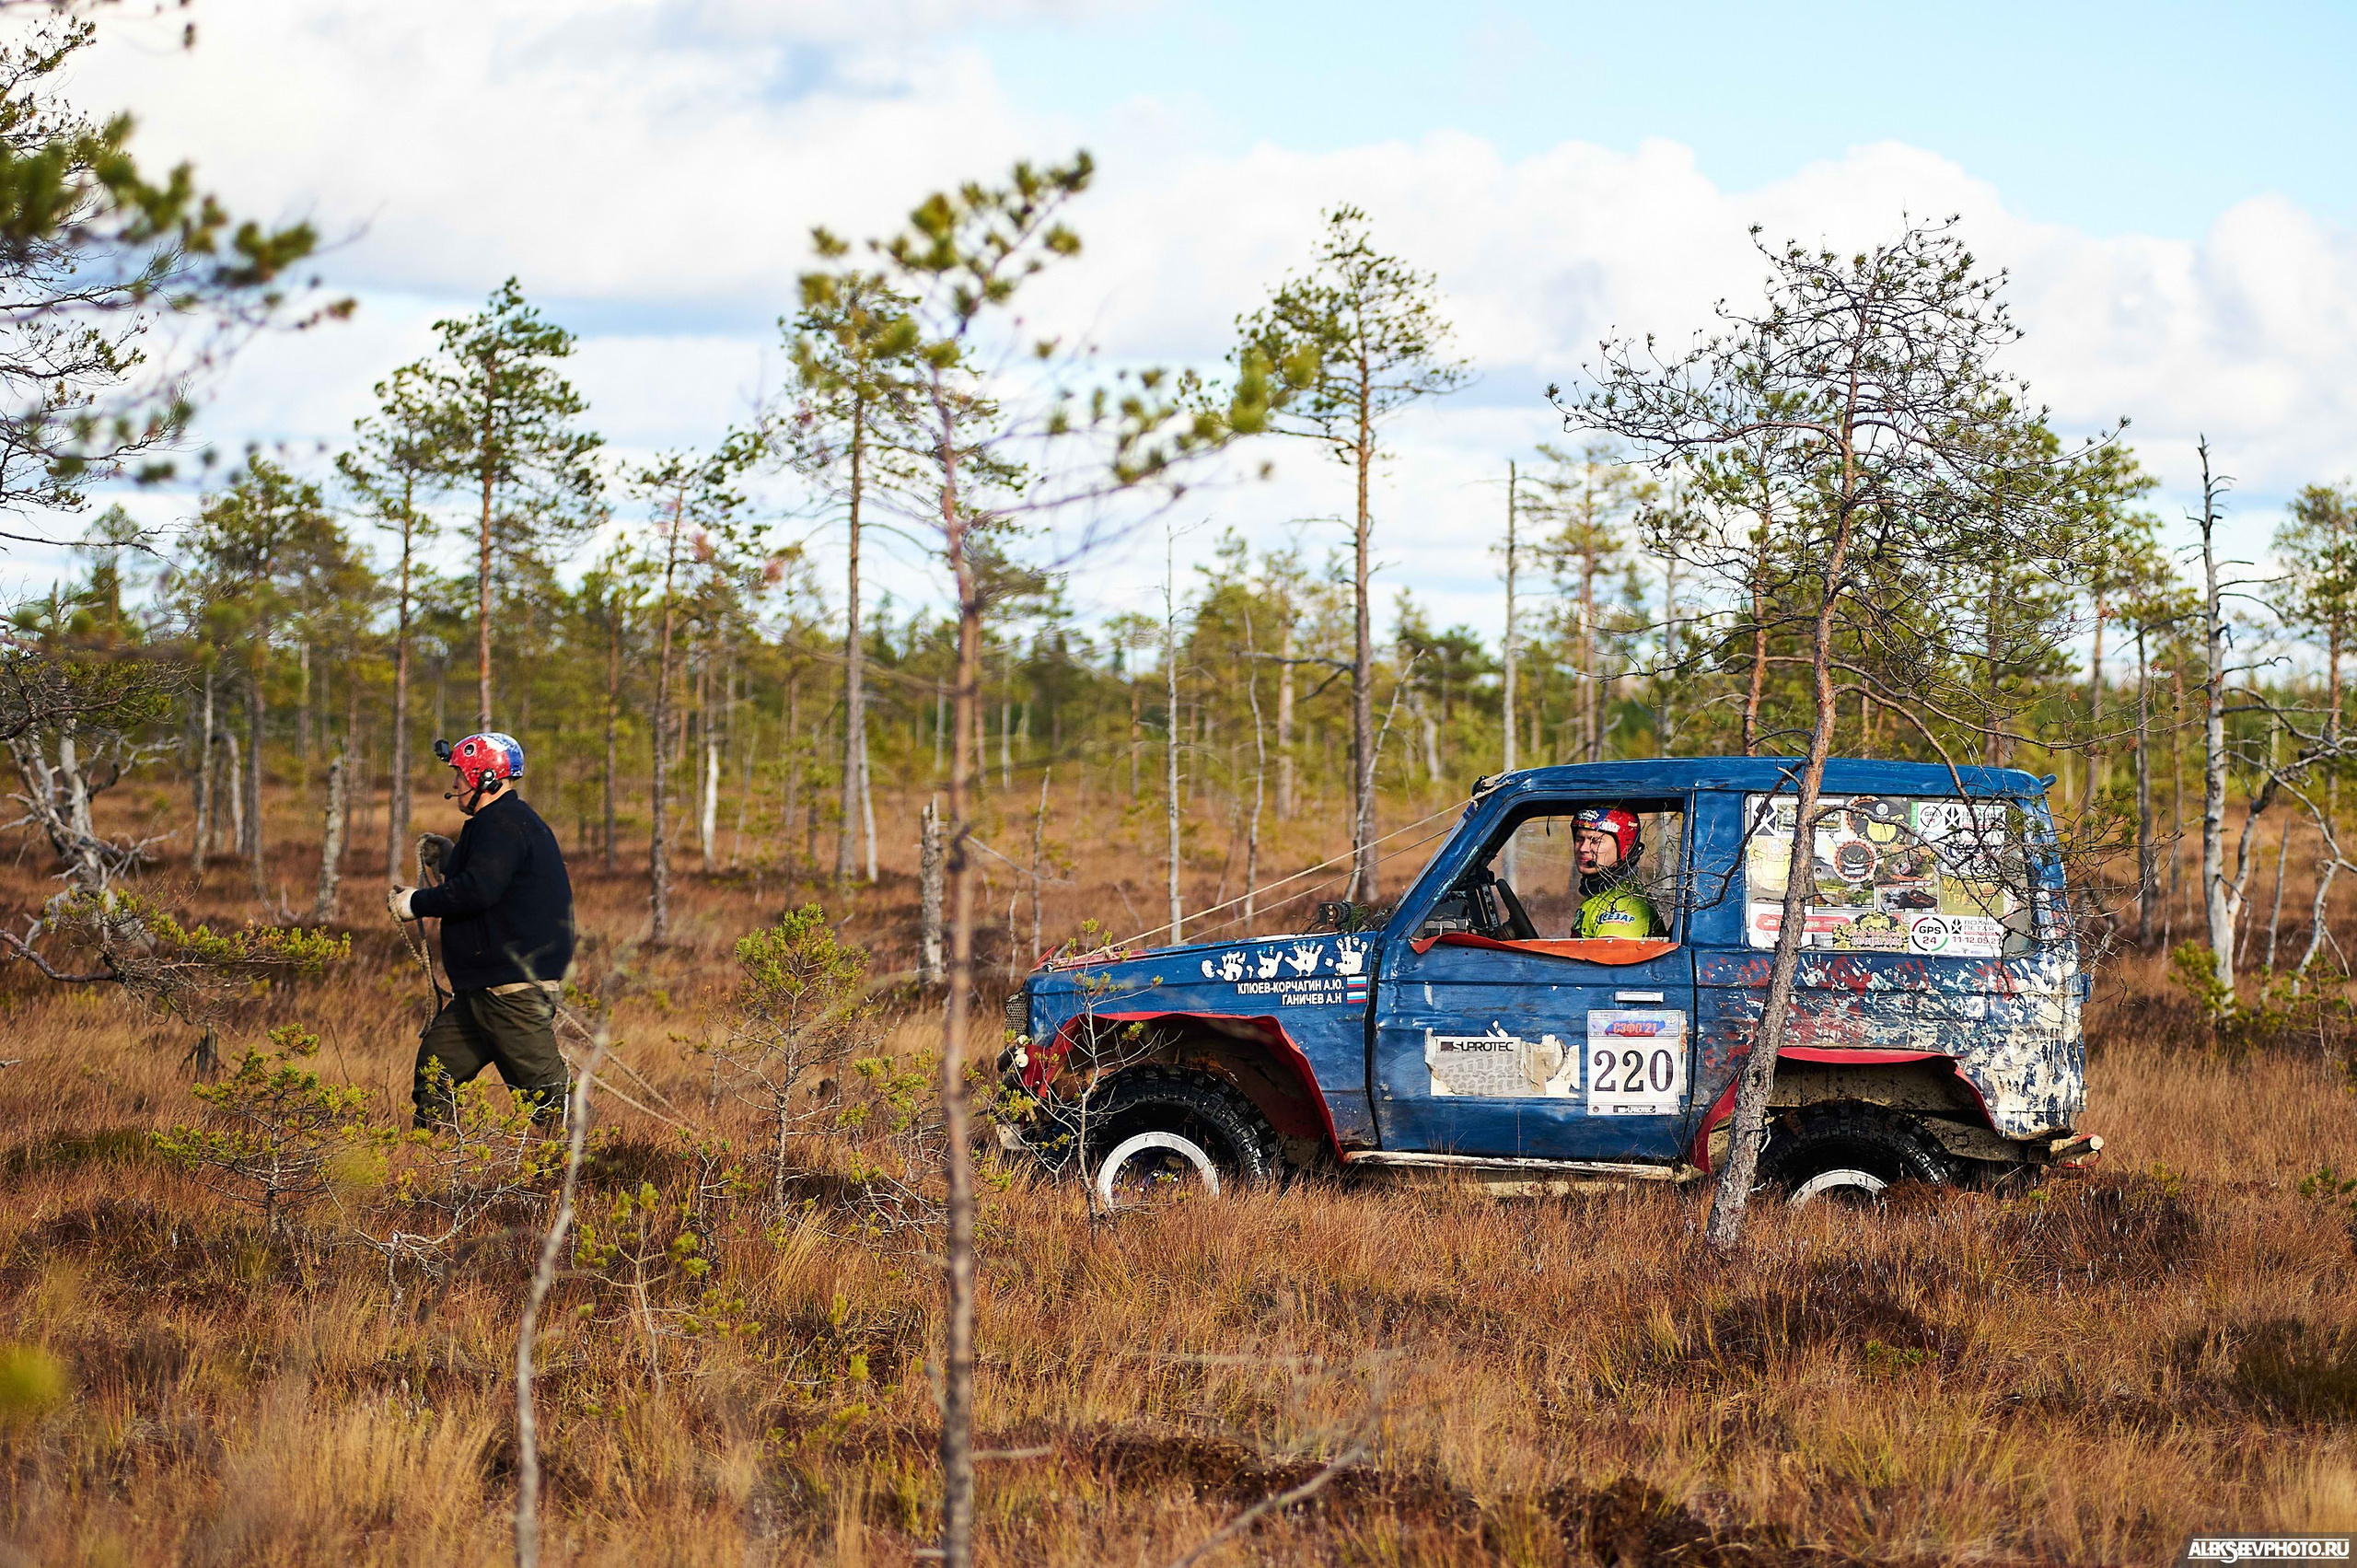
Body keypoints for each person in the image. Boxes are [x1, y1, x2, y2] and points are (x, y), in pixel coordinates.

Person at [388, 731, 576, 1125]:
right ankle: (431, 1163)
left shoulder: (501, 824)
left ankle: (585, 1175)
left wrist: (414, 903)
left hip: (510, 991)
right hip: (484, 990)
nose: (455, 783)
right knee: (434, 1073)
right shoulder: (499, 823)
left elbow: (477, 891)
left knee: (548, 1099)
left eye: (462, 774)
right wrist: (451, 860)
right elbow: (490, 882)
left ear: (486, 778)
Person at [1573, 807, 1660, 939]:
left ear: (1624, 848)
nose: (1583, 848)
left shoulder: (1623, 904)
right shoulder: (1601, 894)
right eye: (1579, 839)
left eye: (1595, 841)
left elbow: (1609, 957)